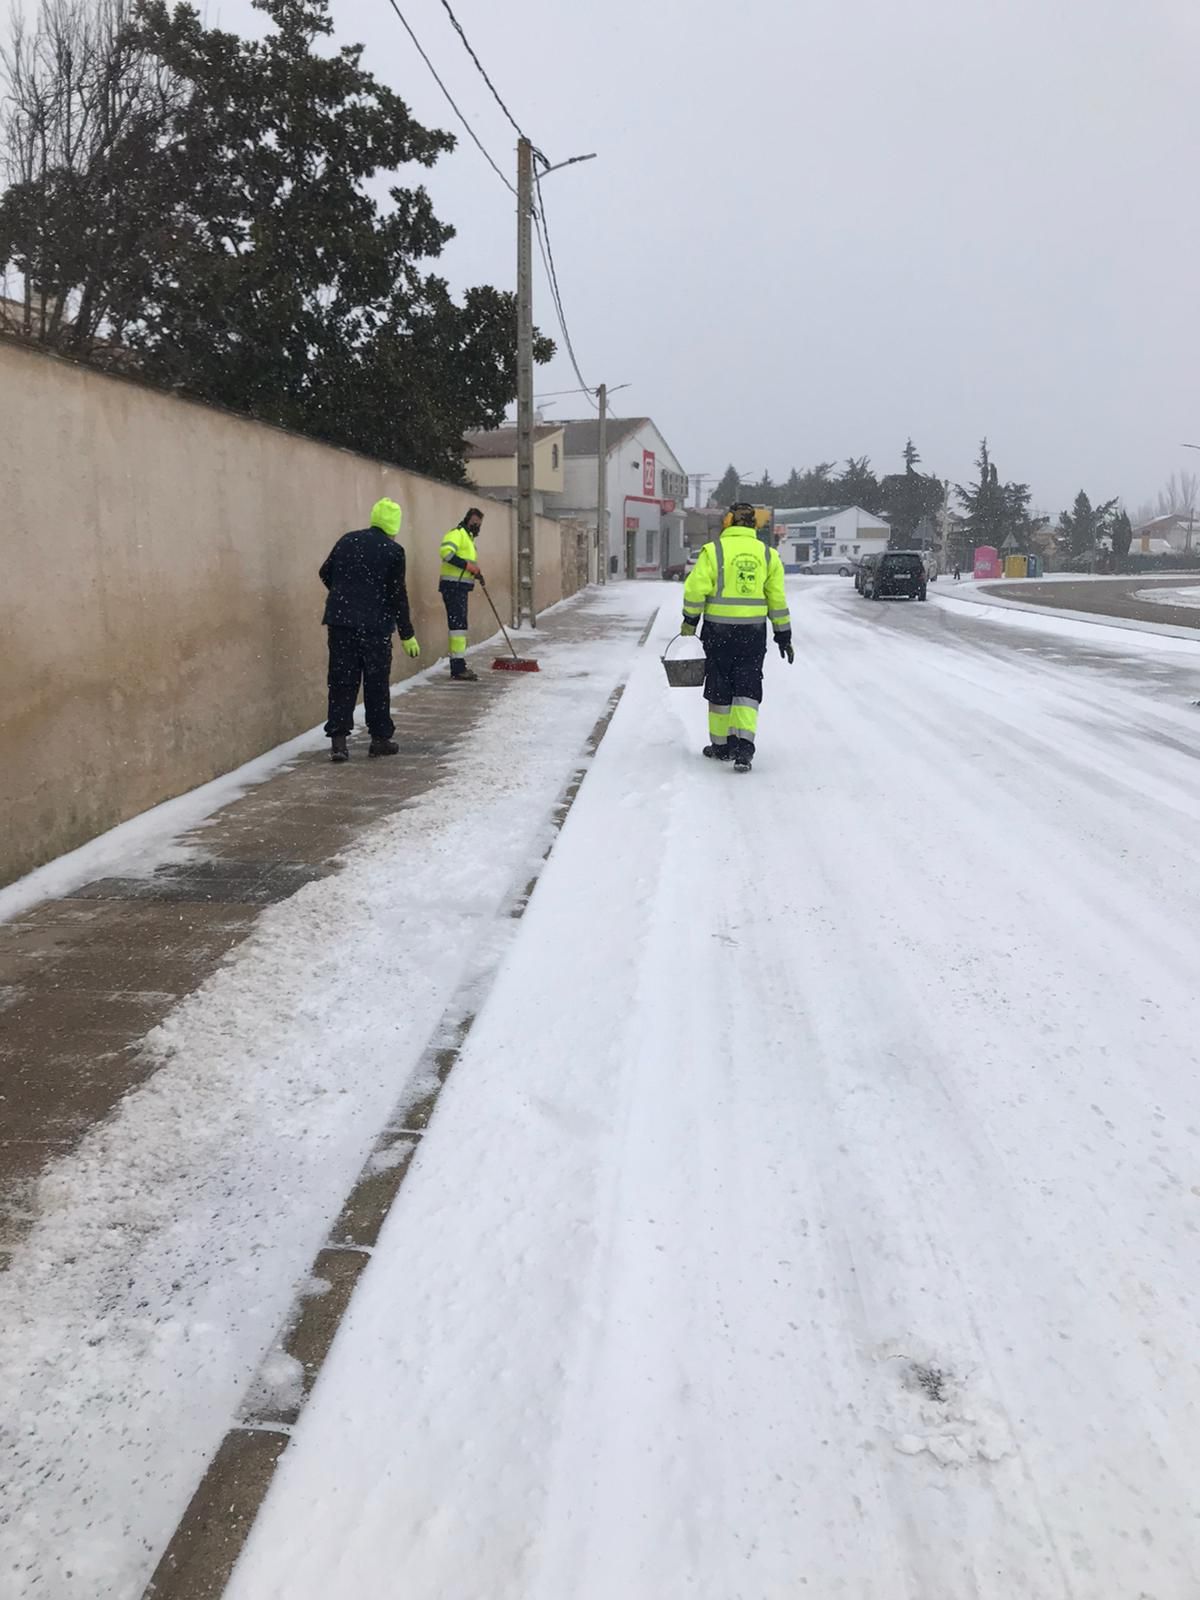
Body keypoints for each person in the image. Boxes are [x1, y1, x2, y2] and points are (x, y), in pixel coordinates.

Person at [681, 503, 793, 772]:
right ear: (755, 524)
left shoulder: (714, 551)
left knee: (720, 686)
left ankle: (721, 746)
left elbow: (696, 589)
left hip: (718, 631)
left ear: (729, 521)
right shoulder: (768, 555)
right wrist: (783, 634)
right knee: (748, 685)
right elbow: (776, 598)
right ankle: (744, 748)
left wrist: (689, 620)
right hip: (752, 634)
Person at [319, 498, 420, 763]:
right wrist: (407, 633)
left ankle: (339, 743)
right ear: (393, 525)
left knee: (342, 681)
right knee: (376, 683)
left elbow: (325, 572)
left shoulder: (347, 540)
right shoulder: (393, 551)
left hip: (341, 623)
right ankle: (379, 739)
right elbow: (398, 596)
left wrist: (345, 595)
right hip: (375, 626)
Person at [439, 507, 485, 682]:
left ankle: (458, 665)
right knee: (458, 627)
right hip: (453, 587)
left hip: (460, 587)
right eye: (474, 523)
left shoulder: (468, 538)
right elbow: (445, 553)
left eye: (479, 524)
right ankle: (457, 668)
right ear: (467, 520)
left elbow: (469, 563)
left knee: (459, 626)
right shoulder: (457, 533)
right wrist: (468, 567)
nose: (477, 526)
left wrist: (476, 572)